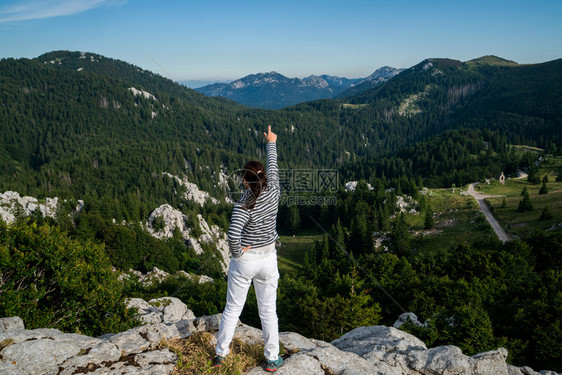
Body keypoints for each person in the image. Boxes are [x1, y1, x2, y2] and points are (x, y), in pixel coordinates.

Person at [213, 125, 283, 372]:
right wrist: (271, 143)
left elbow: (233, 234)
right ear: (263, 177)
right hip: (268, 259)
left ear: (245, 181)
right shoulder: (274, 191)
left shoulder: (244, 204)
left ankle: (221, 354)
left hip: (246, 261)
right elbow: (273, 169)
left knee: (232, 308)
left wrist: (237, 253)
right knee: (268, 312)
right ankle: (272, 359)